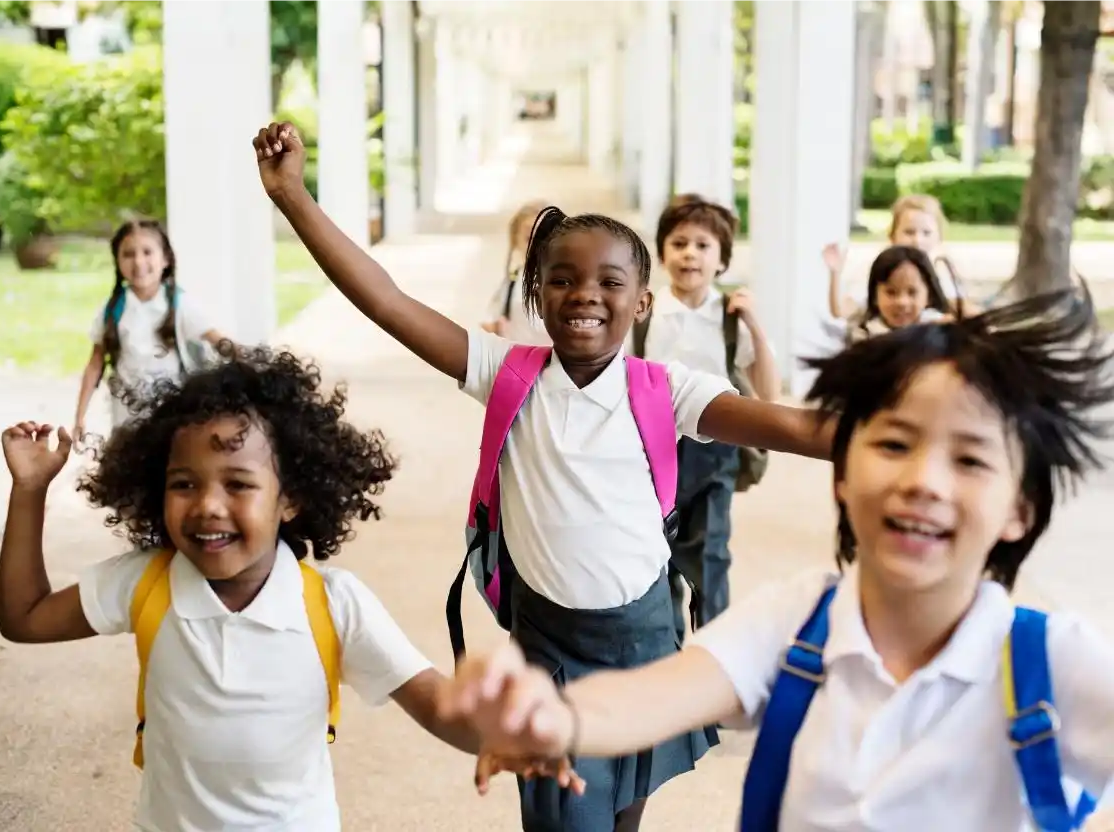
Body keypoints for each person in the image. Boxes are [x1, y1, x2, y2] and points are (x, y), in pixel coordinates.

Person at [251, 121, 833, 832]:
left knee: (621, 815)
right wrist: (292, 198)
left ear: (641, 302)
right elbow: (386, 301)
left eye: (609, 282)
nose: (584, 294)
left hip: (647, 639)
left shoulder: (666, 388)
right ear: (536, 292)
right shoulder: (505, 373)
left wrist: (914, 430)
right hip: (551, 649)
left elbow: (796, 427)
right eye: (562, 279)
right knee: (567, 821)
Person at [437, 287, 1114, 831]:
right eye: (896, 445)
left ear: (1021, 508)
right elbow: (655, 694)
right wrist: (553, 717)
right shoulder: (794, 622)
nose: (925, 481)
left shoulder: (1056, 664)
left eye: (968, 458)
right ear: (842, 471)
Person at [0, 344, 579, 831]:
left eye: (238, 483)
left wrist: (497, 735)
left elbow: (430, 699)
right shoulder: (146, 583)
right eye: (183, 483)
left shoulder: (331, 603)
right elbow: (24, 618)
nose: (207, 505)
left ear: (291, 497)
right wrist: (29, 491)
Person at [632, 193, 780, 641]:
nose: (689, 254)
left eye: (702, 245)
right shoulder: (645, 312)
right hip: (654, 451)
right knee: (658, 554)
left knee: (710, 553)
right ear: (662, 254)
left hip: (716, 451)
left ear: (722, 260)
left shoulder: (730, 318)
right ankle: (668, 650)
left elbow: (768, 391)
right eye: (679, 244)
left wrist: (754, 323)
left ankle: (716, 652)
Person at [72, 219, 230, 439]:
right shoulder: (112, 310)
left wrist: (255, 363)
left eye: (147, 252)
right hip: (127, 420)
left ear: (165, 258)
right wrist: (79, 416)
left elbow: (220, 342)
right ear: (117, 261)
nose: (138, 262)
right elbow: (95, 363)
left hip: (172, 418)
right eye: (128, 254)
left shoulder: (180, 305)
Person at [824, 193, 973, 320]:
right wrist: (835, 273)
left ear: (939, 237)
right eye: (909, 232)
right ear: (892, 235)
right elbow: (841, 311)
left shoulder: (944, 276)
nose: (917, 240)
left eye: (926, 233)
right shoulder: (881, 271)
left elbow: (964, 312)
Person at [826, 245, 953, 347]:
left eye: (912, 292)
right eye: (891, 292)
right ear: (875, 296)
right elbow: (838, 311)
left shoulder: (936, 328)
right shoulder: (867, 335)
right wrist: (835, 273)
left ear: (929, 297)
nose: (902, 302)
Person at [482, 200, 551, 344]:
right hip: (519, 361)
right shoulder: (512, 282)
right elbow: (490, 321)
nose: (536, 245)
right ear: (516, 241)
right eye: (528, 238)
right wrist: (496, 327)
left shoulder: (568, 282)